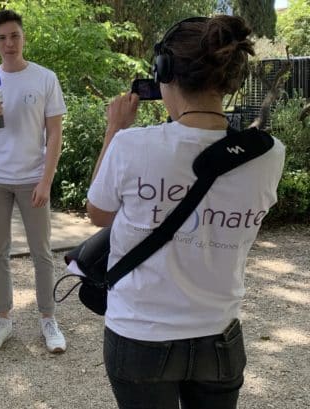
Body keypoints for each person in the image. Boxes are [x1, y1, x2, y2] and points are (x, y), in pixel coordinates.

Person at [86, 15, 285, 409]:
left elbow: (99, 213)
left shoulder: (131, 145)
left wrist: (114, 129)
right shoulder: (269, 153)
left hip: (140, 336)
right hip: (219, 338)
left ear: (164, 70)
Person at [0, 9, 68, 354]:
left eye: (14, 36)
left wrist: (46, 180)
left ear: (24, 38)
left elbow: (54, 134)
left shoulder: (44, 78)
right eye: (2, 38)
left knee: (42, 252)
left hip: (32, 178)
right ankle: (3, 319)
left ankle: (48, 320)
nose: (9, 43)